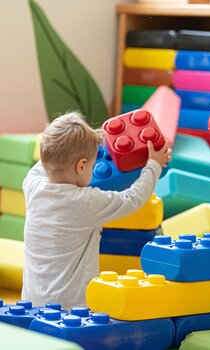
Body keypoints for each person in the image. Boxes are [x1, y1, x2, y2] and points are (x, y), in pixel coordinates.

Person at [21, 112, 172, 310]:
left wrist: (73, 142)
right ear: (81, 165)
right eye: (92, 166)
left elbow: (48, 159)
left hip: (30, 302)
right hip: (71, 308)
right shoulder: (87, 202)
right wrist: (153, 164)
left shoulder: (31, 185)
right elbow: (132, 198)